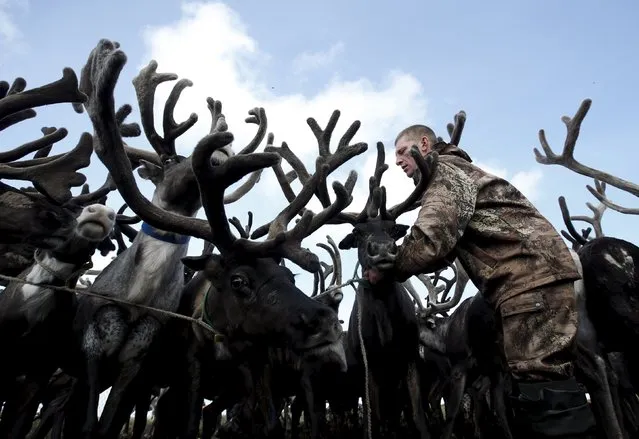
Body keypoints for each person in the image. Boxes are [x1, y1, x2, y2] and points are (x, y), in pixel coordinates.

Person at [374, 124, 596, 438]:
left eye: (401, 152)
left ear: (424, 144)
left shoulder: (445, 173)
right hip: (534, 277)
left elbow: (431, 239)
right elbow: (444, 246)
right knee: (545, 380)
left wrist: (391, 266)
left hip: (527, 280)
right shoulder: (461, 171)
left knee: (544, 386)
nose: (397, 162)